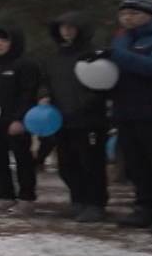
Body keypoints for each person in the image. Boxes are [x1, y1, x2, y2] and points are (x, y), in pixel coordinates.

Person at [107, 0, 152, 232]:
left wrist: (116, 55)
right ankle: (145, 207)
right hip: (126, 110)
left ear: (150, 15)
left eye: (134, 13)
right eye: (124, 13)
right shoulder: (122, 39)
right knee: (137, 163)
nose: (128, 18)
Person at [41, 13, 110, 222]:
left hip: (89, 119)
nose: (67, 31)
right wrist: (43, 97)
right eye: (63, 27)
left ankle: (95, 204)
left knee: (91, 163)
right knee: (67, 164)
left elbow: (103, 84)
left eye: (71, 27)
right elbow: (46, 81)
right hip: (60, 119)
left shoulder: (93, 54)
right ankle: (78, 200)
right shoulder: (54, 57)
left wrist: (85, 105)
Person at [0, 26, 42, 215]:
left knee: (23, 160)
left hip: (17, 122)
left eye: (4, 41)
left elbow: (28, 94)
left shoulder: (25, 65)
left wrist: (20, 119)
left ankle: (27, 198)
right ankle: (5, 196)